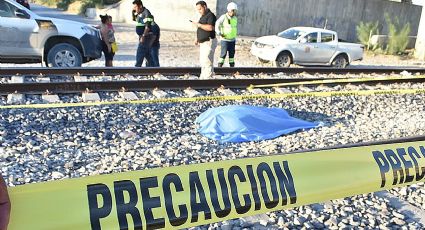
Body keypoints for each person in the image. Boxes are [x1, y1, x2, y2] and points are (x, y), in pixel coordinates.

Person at [191, 1, 217, 79]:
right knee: (203, 61)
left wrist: (199, 25)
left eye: (200, 9)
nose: (199, 11)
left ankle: (208, 78)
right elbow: (200, 29)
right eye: (198, 9)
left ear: (205, 7)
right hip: (203, 42)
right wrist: (197, 39)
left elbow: (210, 27)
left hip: (209, 41)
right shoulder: (202, 16)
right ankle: (203, 77)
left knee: (207, 60)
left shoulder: (210, 16)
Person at [215, 2, 238, 67]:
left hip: (232, 40)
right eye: (233, 11)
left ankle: (232, 68)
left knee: (232, 55)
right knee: (223, 54)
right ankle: (219, 67)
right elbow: (217, 24)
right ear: (229, 10)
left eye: (235, 11)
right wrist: (219, 32)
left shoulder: (235, 18)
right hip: (224, 40)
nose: (234, 12)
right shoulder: (223, 17)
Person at [132, 0, 154, 67]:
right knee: (147, 54)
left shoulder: (146, 13)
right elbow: (134, 19)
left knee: (140, 52)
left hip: (146, 36)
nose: (134, 8)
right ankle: (152, 68)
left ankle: (137, 69)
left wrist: (143, 36)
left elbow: (147, 27)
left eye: (135, 7)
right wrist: (132, 12)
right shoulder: (140, 13)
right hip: (142, 36)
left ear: (140, 6)